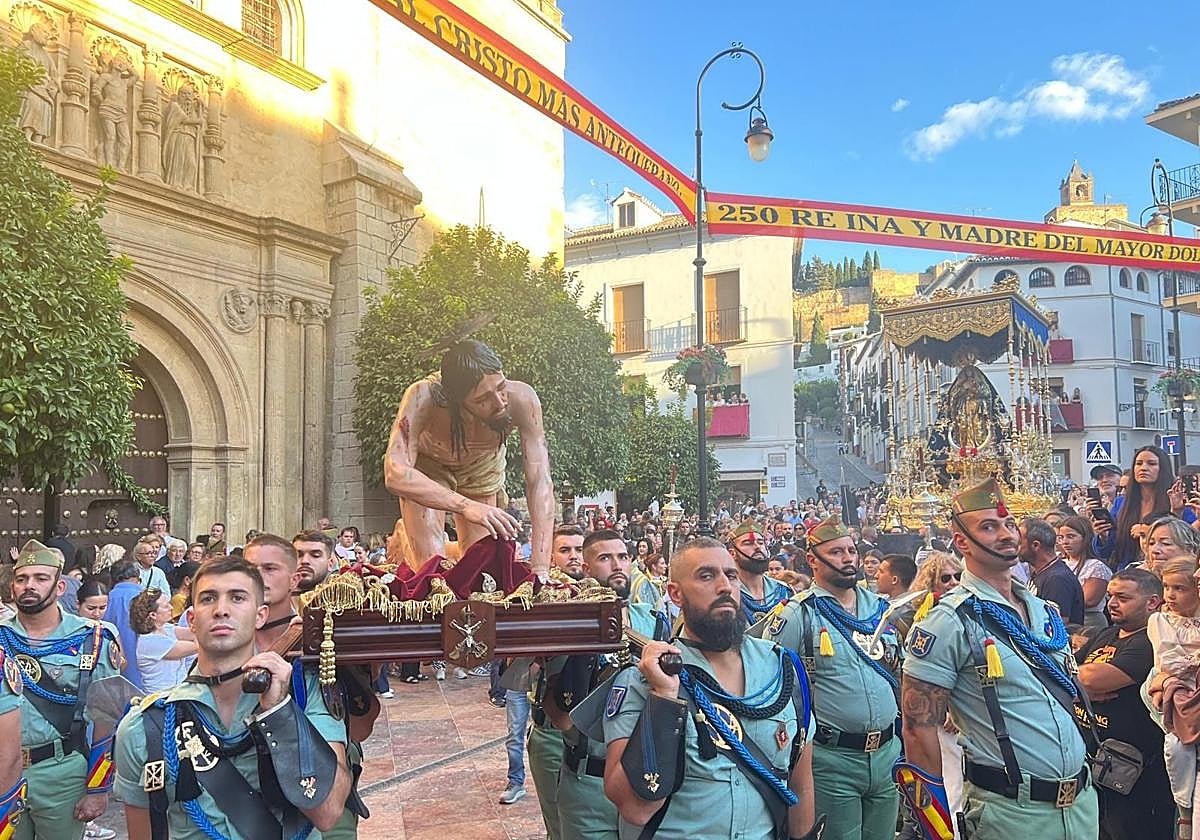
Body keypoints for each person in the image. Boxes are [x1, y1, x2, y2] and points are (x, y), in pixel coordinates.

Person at [898, 478, 1098, 840]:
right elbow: (917, 727)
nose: (1006, 535)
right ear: (961, 542)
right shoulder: (948, 621)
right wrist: (934, 825)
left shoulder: (1043, 611)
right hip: (1010, 813)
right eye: (988, 527)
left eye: (1008, 525)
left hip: (1081, 806)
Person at [114, 556, 352, 839]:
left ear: (260, 615)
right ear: (191, 619)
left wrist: (278, 714)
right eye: (208, 599)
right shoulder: (148, 725)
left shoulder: (303, 695)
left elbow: (328, 810)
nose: (221, 610)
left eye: (237, 598)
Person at [601, 537, 821, 839]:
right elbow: (634, 807)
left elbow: (800, 782)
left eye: (731, 575)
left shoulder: (782, 669)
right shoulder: (644, 679)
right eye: (706, 576)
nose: (724, 586)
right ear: (675, 594)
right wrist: (664, 698)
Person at [754, 515, 902, 840]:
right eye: (836, 552)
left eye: (851, 550)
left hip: (887, 751)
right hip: (832, 758)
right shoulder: (796, 615)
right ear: (812, 560)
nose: (848, 558)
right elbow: (773, 690)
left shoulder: (880, 609)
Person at [383, 340, 554, 578]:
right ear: (456, 399)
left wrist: (541, 568)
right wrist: (466, 506)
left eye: (501, 387)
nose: (499, 402)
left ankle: (443, 543)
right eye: (483, 399)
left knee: (480, 570)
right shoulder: (424, 396)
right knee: (432, 571)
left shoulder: (522, 399)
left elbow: (540, 480)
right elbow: (394, 471)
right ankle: (407, 538)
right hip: (429, 471)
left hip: (482, 470)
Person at [544, 529, 670, 839]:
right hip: (588, 780)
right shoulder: (567, 625)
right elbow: (560, 716)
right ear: (586, 569)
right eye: (605, 558)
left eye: (623, 557)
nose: (617, 565)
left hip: (640, 779)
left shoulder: (654, 622)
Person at [2, 539, 123, 840]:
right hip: (4, 772)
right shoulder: (2, 637)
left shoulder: (92, 639)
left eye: (41, 578)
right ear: (12, 588)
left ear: (59, 588)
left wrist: (98, 788)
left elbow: (106, 718)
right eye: (22, 579)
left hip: (61, 772)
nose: (29, 585)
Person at [1074, 568, 1173, 840]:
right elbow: (1063, 672)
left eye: (1123, 597)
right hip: (1090, 762)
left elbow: (1093, 679)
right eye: (1109, 596)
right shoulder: (1107, 634)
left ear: (1153, 602)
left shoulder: (1150, 642)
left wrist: (1078, 684)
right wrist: (1078, 688)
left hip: (1133, 772)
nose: (1112, 603)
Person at [1147, 556, 1200, 836]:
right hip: (1178, 690)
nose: (1170, 594)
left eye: (1180, 588)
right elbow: (1169, 661)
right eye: (1167, 586)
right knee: (1177, 747)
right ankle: (1184, 811)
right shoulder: (1162, 620)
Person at [1092, 445, 1195, 568]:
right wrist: (1103, 536)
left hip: (1167, 570)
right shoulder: (1121, 503)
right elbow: (1108, 550)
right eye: (1138, 463)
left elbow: (1190, 540)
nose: (1143, 468)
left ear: (1163, 469)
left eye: (1151, 463)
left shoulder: (1178, 501)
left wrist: (1151, 531)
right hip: (1128, 572)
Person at [1021, 517, 1085, 627]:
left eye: (1019, 542)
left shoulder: (1057, 579)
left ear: (1036, 545)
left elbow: (1056, 626)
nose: (1014, 547)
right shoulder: (1041, 572)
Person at [129, 588, 197, 692]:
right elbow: (199, 645)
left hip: (177, 693)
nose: (171, 607)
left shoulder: (165, 628)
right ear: (153, 615)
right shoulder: (149, 641)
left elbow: (193, 634)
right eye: (166, 606)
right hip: (161, 698)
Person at [727, 519, 791, 625]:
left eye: (761, 542)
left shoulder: (784, 591)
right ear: (733, 553)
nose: (757, 547)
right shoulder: (726, 593)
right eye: (748, 543)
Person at [1056, 516, 1112, 630]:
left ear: (1085, 538)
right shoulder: (1061, 562)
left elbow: (1089, 600)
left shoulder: (1095, 566)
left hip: (1089, 623)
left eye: (1071, 537)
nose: (1065, 542)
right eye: (1061, 537)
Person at [103, 560, 145, 688]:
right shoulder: (146, 598)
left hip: (111, 668)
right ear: (137, 577)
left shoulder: (106, 598)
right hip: (144, 671)